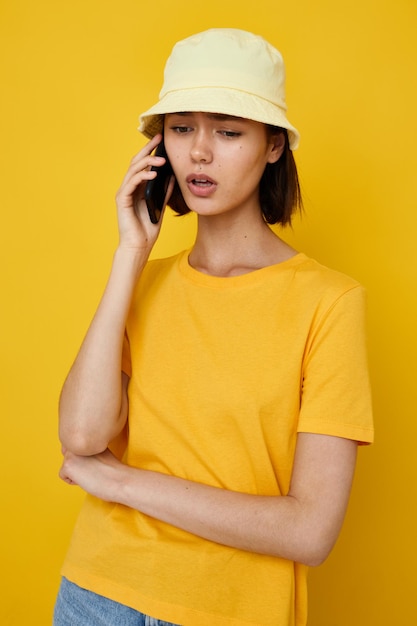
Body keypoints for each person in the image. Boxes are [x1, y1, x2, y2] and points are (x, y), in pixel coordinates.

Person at [54, 28, 374, 626]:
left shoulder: (330, 303)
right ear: (159, 146)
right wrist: (131, 254)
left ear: (274, 146)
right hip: (95, 594)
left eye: (228, 131)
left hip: (229, 610)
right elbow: (80, 436)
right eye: (181, 128)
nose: (200, 152)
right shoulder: (143, 284)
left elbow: (309, 531)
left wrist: (121, 484)